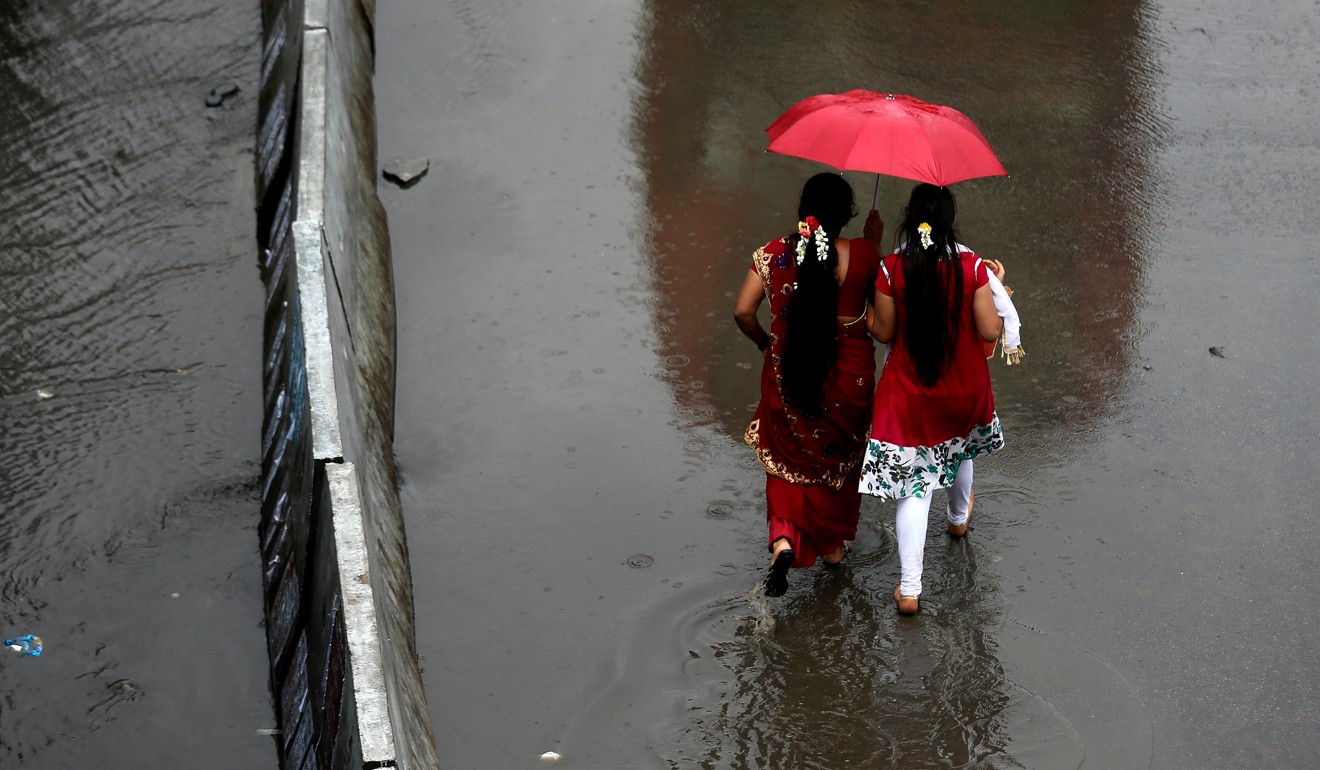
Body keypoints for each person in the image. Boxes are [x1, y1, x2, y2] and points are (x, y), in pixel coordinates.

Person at [734, 173, 884, 597]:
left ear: (804, 211)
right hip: (848, 383)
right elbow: (884, 312)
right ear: (847, 215)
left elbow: (742, 311)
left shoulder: (774, 254)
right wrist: (875, 240)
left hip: (791, 376)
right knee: (836, 462)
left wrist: (766, 342)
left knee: (789, 463)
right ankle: (833, 548)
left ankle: (783, 540)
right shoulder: (865, 253)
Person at [859, 183, 1004, 614]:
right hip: (962, 388)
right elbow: (991, 331)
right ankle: (958, 520)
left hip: (909, 394)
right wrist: (999, 289)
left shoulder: (890, 268)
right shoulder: (973, 267)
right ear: (949, 221)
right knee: (958, 445)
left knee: (914, 488)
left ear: (909, 217)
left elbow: (883, 331)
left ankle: (909, 589)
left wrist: (869, 298)